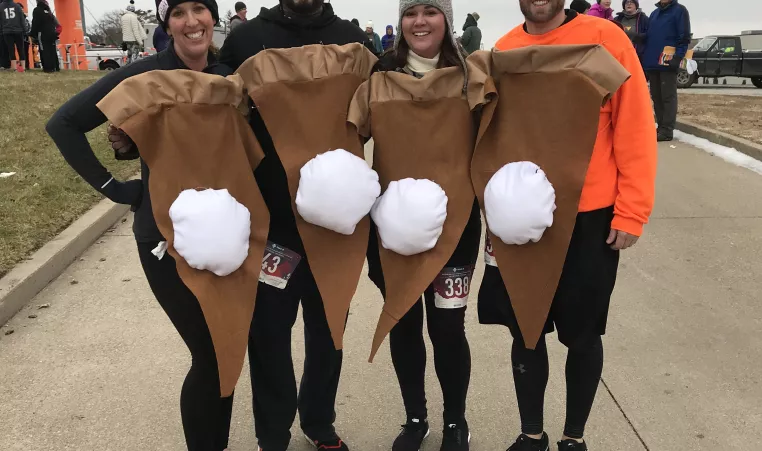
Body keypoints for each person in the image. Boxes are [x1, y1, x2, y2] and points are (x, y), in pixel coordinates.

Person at [46, 1, 240, 450]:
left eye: (200, 10)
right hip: (164, 238)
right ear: (166, 22)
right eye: (179, 13)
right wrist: (116, 188)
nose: (192, 22)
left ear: (214, 18)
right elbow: (64, 124)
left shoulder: (230, 73)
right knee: (209, 355)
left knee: (226, 351)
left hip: (226, 235)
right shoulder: (143, 74)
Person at [485, 1, 657, 450]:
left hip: (590, 216)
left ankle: (573, 438)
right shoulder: (505, 50)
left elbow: (634, 124)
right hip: (522, 221)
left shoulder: (606, 39)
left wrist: (632, 210)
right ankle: (532, 435)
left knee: (583, 336)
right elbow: (491, 134)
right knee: (526, 329)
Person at [217, 2, 374, 450]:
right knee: (268, 336)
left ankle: (319, 422)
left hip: (336, 224)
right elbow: (208, 104)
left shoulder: (352, 40)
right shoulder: (246, 39)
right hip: (272, 224)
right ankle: (273, 435)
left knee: (329, 332)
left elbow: (390, 106)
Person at [362, 3, 479, 450]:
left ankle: (455, 421)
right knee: (404, 323)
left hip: (457, 229)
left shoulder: (471, 76)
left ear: (446, 20)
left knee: (448, 328)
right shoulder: (378, 77)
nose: (420, 22)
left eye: (432, 11)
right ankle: (415, 418)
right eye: (411, 12)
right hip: (394, 231)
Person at [642, 0, 691, 142]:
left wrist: (678, 57)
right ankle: (660, 127)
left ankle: (667, 130)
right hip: (653, 62)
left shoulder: (680, 10)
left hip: (668, 62)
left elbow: (684, 37)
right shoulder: (654, 14)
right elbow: (650, 37)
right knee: (656, 97)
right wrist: (638, 37)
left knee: (667, 97)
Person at [613, 0, 649, 67]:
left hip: (638, 55)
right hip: (620, 55)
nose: (629, 4)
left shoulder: (643, 19)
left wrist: (639, 37)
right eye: (626, 2)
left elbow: (649, 34)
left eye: (631, 2)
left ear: (636, 5)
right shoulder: (617, 19)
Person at [30, 0, 57, 72]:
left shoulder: (37, 10)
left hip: (42, 33)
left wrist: (32, 33)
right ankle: (54, 66)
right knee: (52, 49)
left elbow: (35, 22)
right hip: (52, 33)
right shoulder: (48, 11)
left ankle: (47, 68)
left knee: (44, 50)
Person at [0, 0, 27, 72]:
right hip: (18, 30)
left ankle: (14, 68)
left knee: (11, 50)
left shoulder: (1, 6)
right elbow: (22, 19)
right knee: (21, 49)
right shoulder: (17, 6)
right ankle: (23, 68)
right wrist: (24, 30)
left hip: (6, 31)